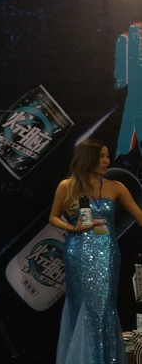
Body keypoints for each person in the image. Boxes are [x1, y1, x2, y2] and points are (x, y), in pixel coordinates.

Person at [50, 139, 142, 363]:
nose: (106, 161)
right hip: (78, 251)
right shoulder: (67, 186)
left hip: (107, 254)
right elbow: (53, 217)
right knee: (81, 304)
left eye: (107, 156)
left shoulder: (116, 186)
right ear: (88, 158)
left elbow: (139, 215)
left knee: (103, 306)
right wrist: (74, 228)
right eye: (101, 156)